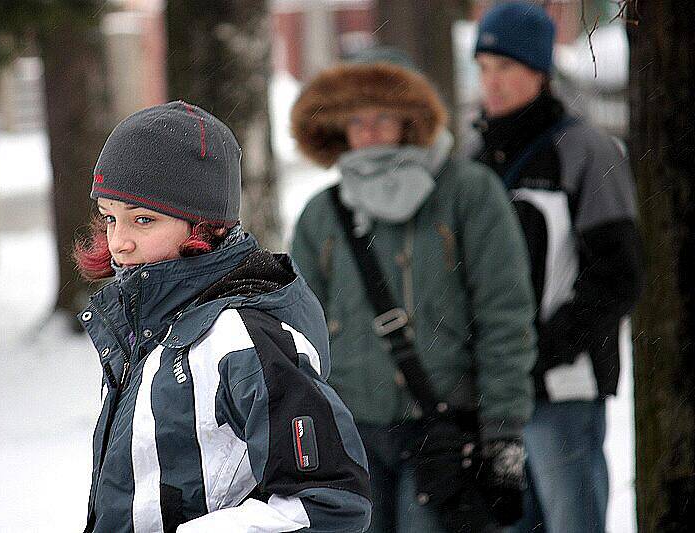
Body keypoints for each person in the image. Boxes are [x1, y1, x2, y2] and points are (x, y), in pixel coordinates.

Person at [74, 101, 372, 532]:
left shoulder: (243, 337)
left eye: (142, 220)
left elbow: (331, 501)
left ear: (205, 227)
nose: (119, 242)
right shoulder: (146, 328)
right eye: (109, 218)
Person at [289, 52, 537, 532]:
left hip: (445, 425)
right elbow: (298, 336)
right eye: (356, 118)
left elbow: (504, 315)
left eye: (383, 115)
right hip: (353, 432)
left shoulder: (468, 193)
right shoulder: (322, 214)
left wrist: (503, 430)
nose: (369, 130)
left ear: (411, 118)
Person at [471, 3, 643, 532]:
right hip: (497, 392)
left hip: (566, 387)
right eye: (484, 67)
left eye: (507, 67)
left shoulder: (588, 152)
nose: (492, 83)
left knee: (573, 521)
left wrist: (546, 349)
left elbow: (618, 274)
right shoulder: (476, 158)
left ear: (540, 73)